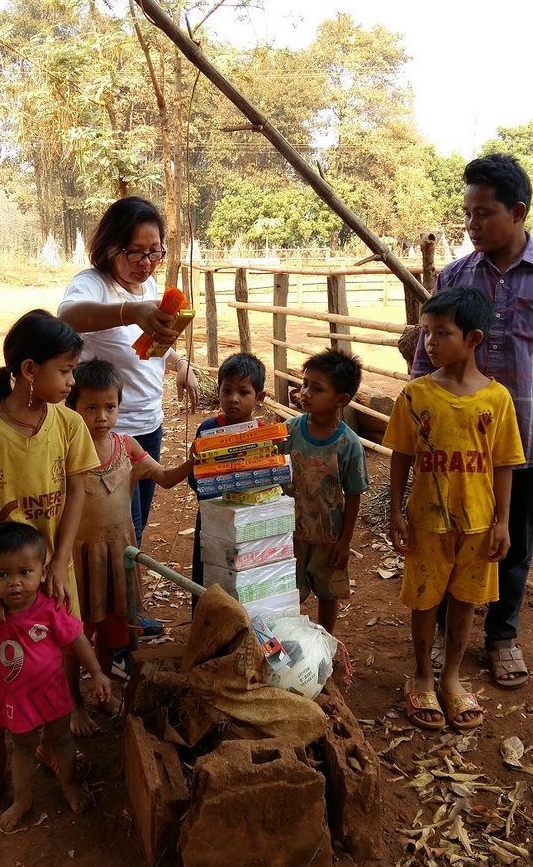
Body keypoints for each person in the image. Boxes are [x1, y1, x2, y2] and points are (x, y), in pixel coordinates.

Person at [0, 309, 100, 807]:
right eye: (65, 370)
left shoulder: (68, 425)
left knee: (58, 648)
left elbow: (78, 490)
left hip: (50, 567)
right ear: (28, 370)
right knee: (0, 664)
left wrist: (60, 563)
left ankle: (47, 736)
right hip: (3, 577)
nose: (72, 380)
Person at [411, 154, 533, 689]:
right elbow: (423, 359)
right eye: (467, 214)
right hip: (451, 447)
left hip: (521, 442)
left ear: (519, 211)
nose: (472, 225)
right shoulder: (455, 276)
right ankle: (438, 632)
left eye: (484, 213)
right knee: (442, 537)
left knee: (509, 541)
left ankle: (502, 637)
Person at [386, 288, 525, 731]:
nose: (429, 342)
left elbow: (504, 462)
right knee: (425, 601)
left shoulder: (497, 399)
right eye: (426, 332)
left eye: (441, 333)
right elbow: (401, 457)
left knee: (466, 602)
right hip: (426, 520)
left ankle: (451, 678)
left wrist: (502, 520)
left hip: (479, 522)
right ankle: (422, 675)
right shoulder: (416, 395)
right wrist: (396, 511)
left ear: (473, 338)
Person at [58, 197, 199, 546]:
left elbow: (145, 351)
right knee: (122, 533)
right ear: (109, 247)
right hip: (108, 434)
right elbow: (67, 315)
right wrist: (130, 311)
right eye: (134, 252)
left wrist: (179, 362)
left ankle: (121, 596)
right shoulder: (93, 284)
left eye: (155, 252)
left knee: (137, 526)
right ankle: (115, 599)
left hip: (149, 424)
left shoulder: (148, 288)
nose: (146, 262)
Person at [66, 358, 196, 734]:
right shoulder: (66, 451)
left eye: (110, 406)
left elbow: (167, 479)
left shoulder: (127, 447)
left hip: (118, 558)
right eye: (91, 407)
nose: (102, 416)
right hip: (78, 558)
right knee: (74, 635)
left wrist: (193, 459)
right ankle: (74, 705)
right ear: (73, 407)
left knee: (111, 631)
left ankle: (103, 691)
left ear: (120, 405)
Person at [0, 522, 112, 831]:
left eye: (24, 572)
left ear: (43, 572)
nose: (15, 583)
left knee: (62, 739)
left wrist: (96, 673)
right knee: (23, 747)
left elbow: (77, 639)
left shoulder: (51, 609)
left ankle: (68, 785)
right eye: (3, 575)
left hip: (53, 694)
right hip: (16, 701)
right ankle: (23, 799)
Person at [282, 350, 369, 636]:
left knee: (327, 593)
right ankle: (288, 643)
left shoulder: (348, 444)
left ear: (341, 399)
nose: (305, 393)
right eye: (305, 384)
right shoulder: (289, 431)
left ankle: (325, 642)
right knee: (287, 591)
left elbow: (354, 493)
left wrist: (345, 541)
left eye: (316, 389)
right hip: (289, 532)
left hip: (328, 536)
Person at [188, 353, 267, 609]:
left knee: (245, 572)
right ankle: (204, 626)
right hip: (212, 515)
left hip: (248, 516)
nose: (233, 399)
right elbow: (194, 475)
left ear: (259, 397)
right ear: (218, 390)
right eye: (227, 390)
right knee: (208, 569)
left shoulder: (263, 435)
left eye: (243, 392)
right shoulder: (208, 429)